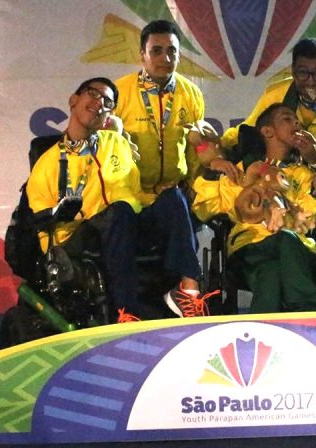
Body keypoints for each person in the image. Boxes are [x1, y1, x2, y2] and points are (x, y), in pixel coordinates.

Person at [212, 38, 316, 290]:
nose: (311, 81)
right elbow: (250, 131)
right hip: (281, 177)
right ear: (293, 72)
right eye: (303, 73)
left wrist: (315, 161)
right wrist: (243, 162)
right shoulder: (277, 94)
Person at [115, 19, 215, 317]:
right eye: (156, 51)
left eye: (172, 51)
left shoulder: (190, 93)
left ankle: (188, 291)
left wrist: (198, 182)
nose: (165, 59)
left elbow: (196, 148)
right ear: (141, 55)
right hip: (130, 196)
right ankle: (125, 308)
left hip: (169, 196)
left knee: (177, 200)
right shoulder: (119, 93)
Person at [192, 104, 316, 313]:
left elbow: (308, 216)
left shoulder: (302, 175)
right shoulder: (240, 171)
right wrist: (212, 172)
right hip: (249, 248)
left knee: (271, 272)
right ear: (267, 131)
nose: (296, 123)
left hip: (294, 251)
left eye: (297, 120)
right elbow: (206, 208)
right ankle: (308, 312)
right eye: (287, 119)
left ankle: (263, 329)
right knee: (283, 241)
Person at [26, 77, 143, 323]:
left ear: (108, 116)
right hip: (72, 236)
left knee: (170, 200)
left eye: (107, 102)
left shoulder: (117, 144)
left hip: (118, 222)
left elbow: (133, 190)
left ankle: (189, 290)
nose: (99, 102)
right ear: (73, 100)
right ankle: (126, 313)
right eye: (93, 93)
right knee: (118, 212)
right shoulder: (47, 164)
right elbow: (40, 216)